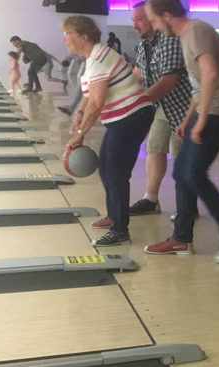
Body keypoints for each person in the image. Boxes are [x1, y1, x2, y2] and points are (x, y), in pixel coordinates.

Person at [142, 0, 219, 263]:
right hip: (208, 109)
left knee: (192, 172)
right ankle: (181, 238)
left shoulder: (196, 31)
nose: (153, 26)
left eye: (153, 20)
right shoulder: (186, 35)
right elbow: (197, 85)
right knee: (182, 172)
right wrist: (188, 118)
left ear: (167, 15)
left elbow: (210, 75)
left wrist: (200, 121)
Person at [62, 15, 156, 247]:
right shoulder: (95, 56)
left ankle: (120, 230)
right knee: (106, 168)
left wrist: (80, 134)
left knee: (115, 173)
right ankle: (115, 215)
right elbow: (89, 95)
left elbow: (97, 101)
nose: (64, 39)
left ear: (83, 36)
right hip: (125, 118)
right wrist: (80, 113)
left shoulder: (98, 60)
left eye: (67, 34)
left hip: (131, 117)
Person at [126, 1, 193, 217]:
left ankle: (187, 206)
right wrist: (116, 93)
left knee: (181, 157)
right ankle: (151, 200)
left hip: (184, 108)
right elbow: (137, 74)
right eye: (133, 20)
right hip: (161, 106)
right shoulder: (145, 45)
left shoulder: (170, 39)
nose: (135, 25)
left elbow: (168, 81)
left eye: (139, 19)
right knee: (154, 148)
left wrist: (135, 105)